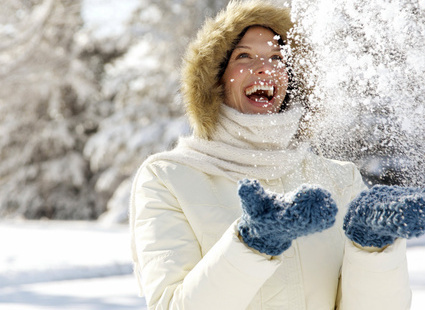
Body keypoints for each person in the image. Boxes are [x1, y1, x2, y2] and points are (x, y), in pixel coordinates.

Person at [130, 1, 416, 309]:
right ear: (214, 79)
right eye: (244, 56)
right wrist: (252, 244)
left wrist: (373, 248)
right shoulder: (169, 178)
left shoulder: (340, 179)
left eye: (277, 57)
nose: (265, 67)